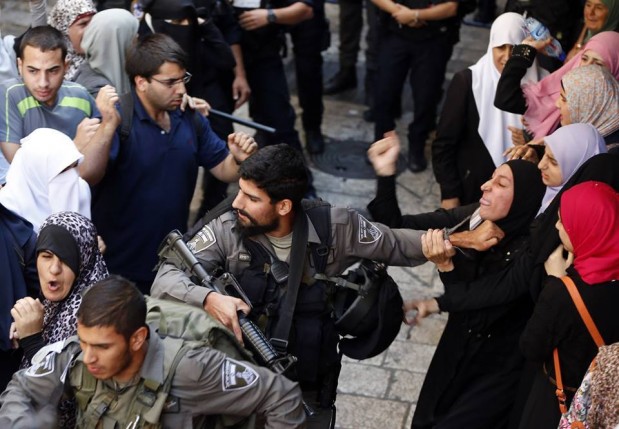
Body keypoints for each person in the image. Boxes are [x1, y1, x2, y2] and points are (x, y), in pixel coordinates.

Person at [151, 143, 428, 425]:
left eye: (251, 198)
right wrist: (209, 299)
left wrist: (450, 241)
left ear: (284, 206)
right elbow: (165, 279)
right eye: (240, 191)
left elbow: (400, 244)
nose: (236, 204)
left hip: (305, 389)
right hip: (236, 389)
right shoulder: (227, 229)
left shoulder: (335, 227)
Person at [369, 136, 546, 428]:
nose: (485, 186)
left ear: (524, 199)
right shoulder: (475, 218)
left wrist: (444, 271)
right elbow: (395, 228)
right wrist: (386, 174)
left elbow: (480, 298)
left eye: (501, 184)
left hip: (495, 370)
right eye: (491, 178)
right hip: (456, 348)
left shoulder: (530, 251)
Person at [0, 276, 306, 427]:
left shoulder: (191, 368)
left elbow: (283, 396)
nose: (89, 356)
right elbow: (21, 388)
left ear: (137, 339)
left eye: (103, 346)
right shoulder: (77, 355)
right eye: (84, 341)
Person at [91, 33, 257, 293]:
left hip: (171, 266)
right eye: (170, 82)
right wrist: (106, 125)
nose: (181, 90)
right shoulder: (118, 120)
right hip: (117, 269)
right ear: (141, 82)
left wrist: (239, 158)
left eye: (183, 79)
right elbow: (88, 174)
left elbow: (224, 168)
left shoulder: (189, 118)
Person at [518, 181, 619, 429]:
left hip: (559, 403)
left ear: (586, 229)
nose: (556, 226)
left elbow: (531, 347)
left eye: (563, 222)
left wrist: (555, 281)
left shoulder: (562, 293)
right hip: (605, 403)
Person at [432, 12, 546, 209]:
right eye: (500, 47)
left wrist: (530, 142)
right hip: (473, 192)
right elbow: (444, 144)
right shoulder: (469, 81)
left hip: (522, 196)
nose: (507, 56)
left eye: (516, 48)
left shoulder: (545, 84)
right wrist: (449, 193)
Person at [9, 211, 108, 427]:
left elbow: (64, 399)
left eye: (65, 260)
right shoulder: (55, 301)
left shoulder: (95, 313)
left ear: (83, 261)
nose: (54, 269)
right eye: (46, 256)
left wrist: (32, 340)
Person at [0, 25, 119, 185]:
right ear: (20, 66)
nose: (43, 83)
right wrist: (75, 147)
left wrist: (108, 122)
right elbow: (21, 167)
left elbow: (92, 173)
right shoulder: (9, 94)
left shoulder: (81, 96)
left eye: (53, 71)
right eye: (33, 71)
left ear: (66, 67)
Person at [371, 0, 459, 172]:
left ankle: (417, 145)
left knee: (426, 96)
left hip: (434, 38)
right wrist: (399, 13)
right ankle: (382, 143)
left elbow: (452, 7)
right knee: (384, 91)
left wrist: (415, 15)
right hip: (394, 32)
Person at [494, 30, 619, 139]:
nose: (586, 67)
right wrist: (525, 51)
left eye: (598, 64)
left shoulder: (612, 121)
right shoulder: (564, 91)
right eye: (584, 59)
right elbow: (506, 99)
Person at [0, 128, 91, 232]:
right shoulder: (6, 206)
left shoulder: (81, 189)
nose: (71, 175)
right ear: (36, 172)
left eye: (75, 166)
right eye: (62, 171)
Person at [536, 124, 607, 214]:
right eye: (544, 154)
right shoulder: (547, 194)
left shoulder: (578, 213)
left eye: (553, 162)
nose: (540, 165)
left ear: (578, 166)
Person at [74, 8, 139, 97]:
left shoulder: (127, 73)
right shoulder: (98, 92)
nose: (137, 38)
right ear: (117, 41)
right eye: (133, 35)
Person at [554, 64, 619, 147]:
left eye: (564, 99)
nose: (556, 104)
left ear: (591, 106)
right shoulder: (588, 141)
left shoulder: (609, 151)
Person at [47, 0, 97, 81]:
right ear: (63, 29)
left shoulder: (102, 62)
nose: (91, 29)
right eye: (83, 24)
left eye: (94, 23)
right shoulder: (46, 67)